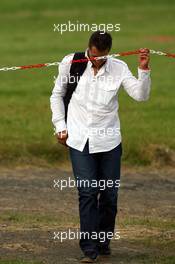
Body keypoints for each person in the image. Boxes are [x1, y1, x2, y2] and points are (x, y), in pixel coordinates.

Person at [50, 31, 151, 263]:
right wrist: (60, 125)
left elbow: (141, 96)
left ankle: (103, 241)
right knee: (87, 192)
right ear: (89, 49)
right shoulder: (71, 63)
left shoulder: (119, 67)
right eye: (94, 56)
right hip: (78, 139)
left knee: (109, 195)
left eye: (102, 57)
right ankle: (89, 249)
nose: (98, 61)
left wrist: (143, 70)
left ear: (109, 52)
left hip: (109, 142)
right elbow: (57, 96)